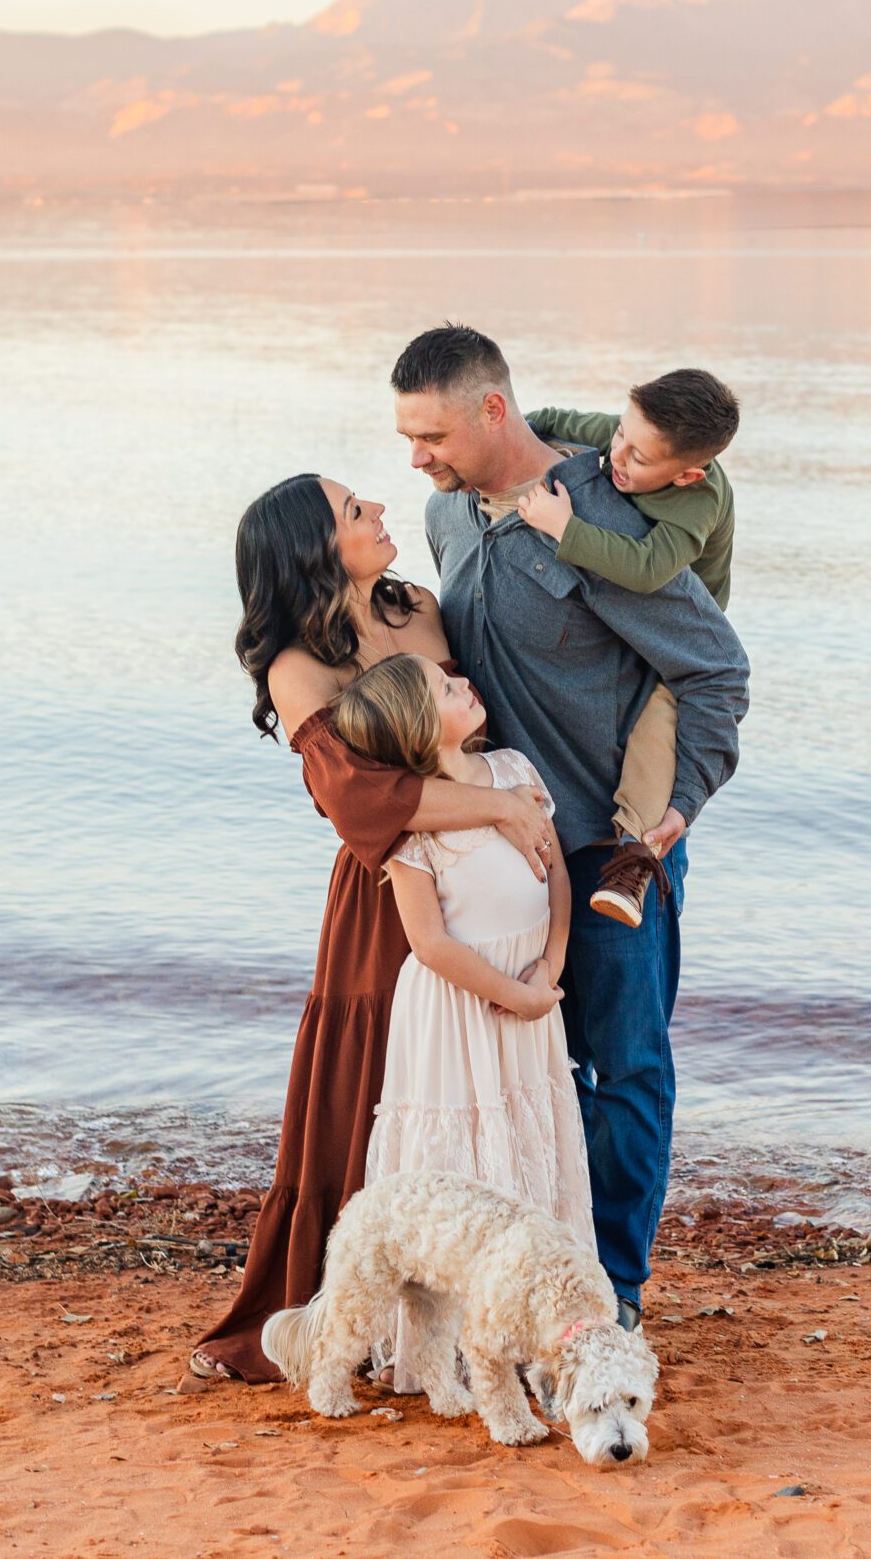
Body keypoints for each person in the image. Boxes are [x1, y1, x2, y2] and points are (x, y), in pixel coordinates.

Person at [393, 324, 750, 1330]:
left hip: (607, 849)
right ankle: (517, 1277)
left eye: (432, 435)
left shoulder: (607, 518)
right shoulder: (446, 515)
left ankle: (613, 1293)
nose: (417, 458)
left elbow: (713, 667)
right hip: (494, 855)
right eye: (408, 436)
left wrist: (678, 810)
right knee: (512, 1077)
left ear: (491, 412)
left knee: (624, 1069)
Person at [186, 474, 556, 1386]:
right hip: (392, 890)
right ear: (315, 546)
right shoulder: (296, 663)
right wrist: (497, 808)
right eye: (356, 511)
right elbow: (356, 796)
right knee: (375, 1086)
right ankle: (341, 1314)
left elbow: (468, 725)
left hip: (481, 883)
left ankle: (489, 1305)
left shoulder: (421, 607)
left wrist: (516, 812)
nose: (381, 511)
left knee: (480, 1084)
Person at [327, 652, 593, 1390]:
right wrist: (506, 992)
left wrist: (551, 967)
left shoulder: (513, 771)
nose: (465, 683)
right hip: (458, 1007)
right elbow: (430, 943)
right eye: (446, 689)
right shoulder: (414, 826)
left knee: (526, 1140)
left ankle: (535, 1325)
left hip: (530, 993)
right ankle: (446, 1356)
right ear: (419, 728)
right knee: (461, 1161)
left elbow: (557, 870)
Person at [512, 369, 741, 928]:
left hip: (673, 639)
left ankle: (635, 856)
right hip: (623, 626)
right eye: (620, 436)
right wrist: (520, 437)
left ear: (686, 475)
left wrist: (563, 528)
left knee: (656, 729)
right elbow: (558, 422)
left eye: (639, 458)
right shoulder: (624, 436)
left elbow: (645, 570)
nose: (618, 454)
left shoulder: (697, 504)